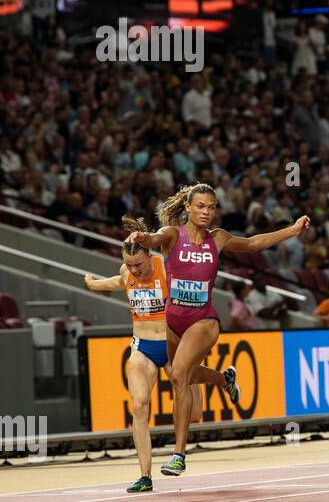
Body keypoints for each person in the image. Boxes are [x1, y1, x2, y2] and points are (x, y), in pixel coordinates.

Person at [124, 182, 309, 476]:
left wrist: (292, 230)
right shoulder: (173, 235)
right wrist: (143, 237)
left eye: (211, 207)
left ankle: (178, 455)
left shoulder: (218, 238)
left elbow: (253, 244)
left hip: (204, 320)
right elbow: (154, 237)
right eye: (200, 206)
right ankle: (224, 380)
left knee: (180, 375)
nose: (206, 212)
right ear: (188, 207)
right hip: (173, 321)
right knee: (181, 374)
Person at [82, 216, 205, 492]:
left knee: (195, 414)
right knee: (139, 406)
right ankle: (145, 476)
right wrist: (92, 284)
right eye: (129, 265)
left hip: (175, 344)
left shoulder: (168, 267)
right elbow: (117, 282)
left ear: (149, 255)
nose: (134, 270)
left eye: (138, 264)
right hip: (144, 347)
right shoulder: (127, 272)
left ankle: (211, 378)